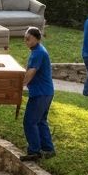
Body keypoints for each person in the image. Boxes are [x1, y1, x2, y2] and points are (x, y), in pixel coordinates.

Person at [22, 26, 55, 160]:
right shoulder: (38, 50)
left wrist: (20, 85)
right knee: (41, 121)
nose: (26, 41)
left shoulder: (38, 53)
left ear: (36, 39)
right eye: (25, 39)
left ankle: (34, 151)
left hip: (40, 93)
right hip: (46, 92)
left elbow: (31, 72)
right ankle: (48, 149)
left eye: (28, 39)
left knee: (29, 122)